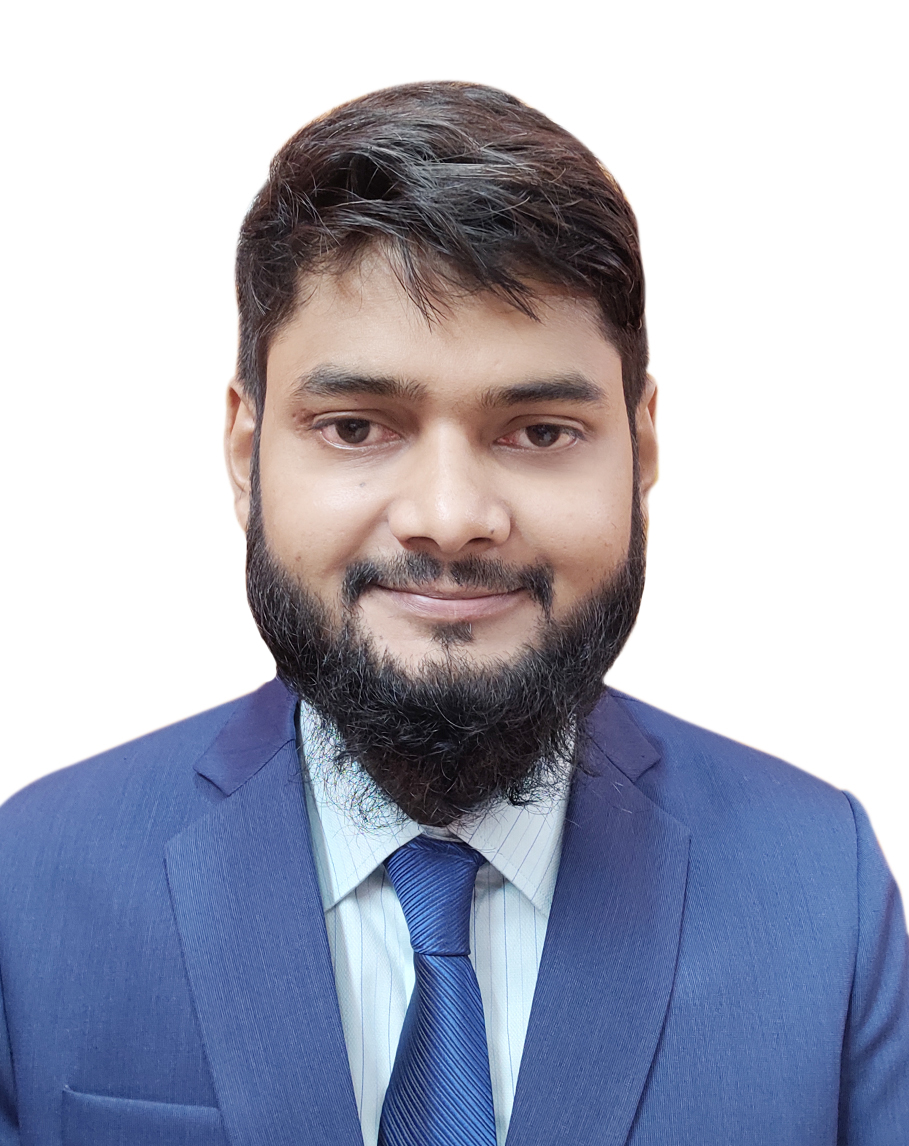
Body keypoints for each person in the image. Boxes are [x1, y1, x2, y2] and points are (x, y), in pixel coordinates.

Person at [0, 81, 906, 1146]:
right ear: (246, 454)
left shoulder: (824, 890)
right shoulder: (32, 882)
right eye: (355, 427)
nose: (448, 517)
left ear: (642, 447)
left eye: (540, 432)